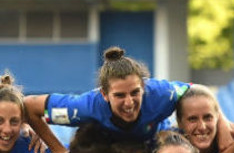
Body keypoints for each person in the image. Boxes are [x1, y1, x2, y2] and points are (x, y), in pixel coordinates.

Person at [24, 47, 191, 146]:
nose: (129, 103)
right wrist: (58, 150)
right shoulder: (84, 108)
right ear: (104, 94)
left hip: (154, 148)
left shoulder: (162, 94)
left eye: (135, 92)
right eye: (119, 95)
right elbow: (29, 106)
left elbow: (198, 93)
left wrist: (219, 142)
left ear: (143, 87)